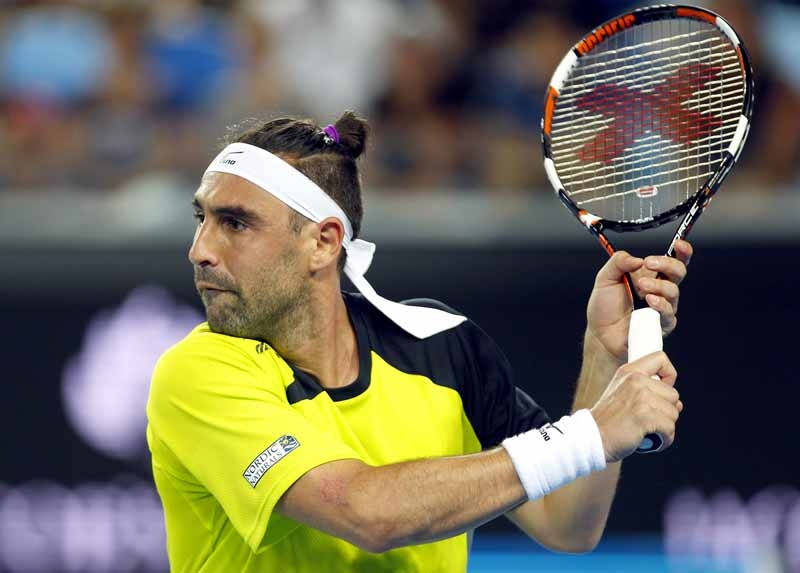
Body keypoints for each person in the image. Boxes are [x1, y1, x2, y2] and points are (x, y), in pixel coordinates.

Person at [146, 111, 692, 572]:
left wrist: (604, 356)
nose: (200, 250)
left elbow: (568, 522)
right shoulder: (199, 373)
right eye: (202, 218)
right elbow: (365, 512)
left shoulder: (440, 345)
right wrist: (592, 431)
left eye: (235, 224)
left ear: (323, 243)